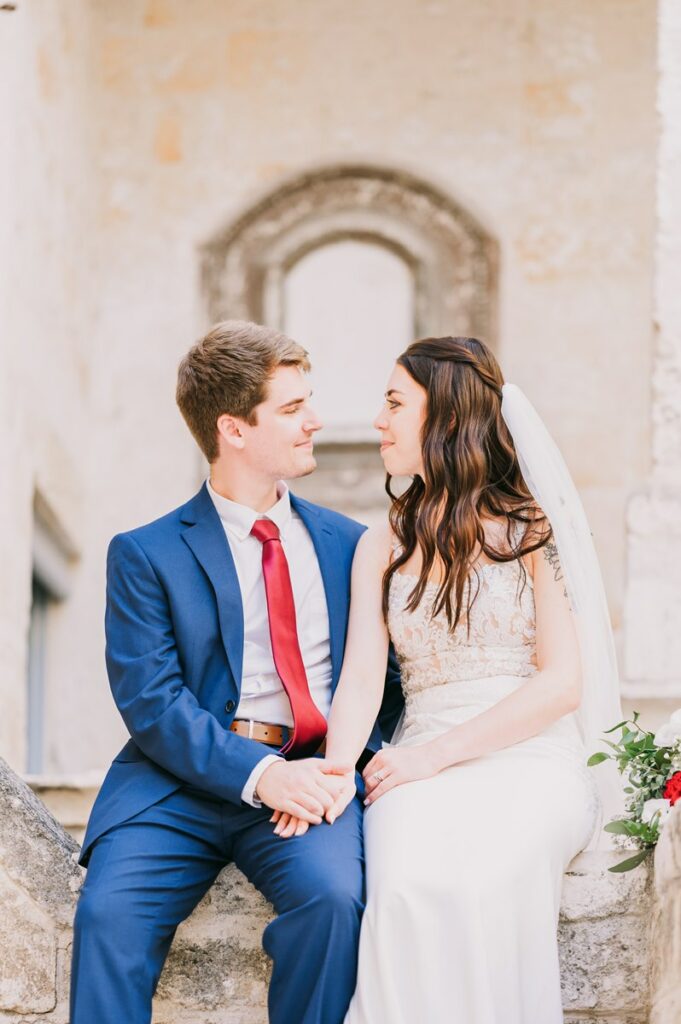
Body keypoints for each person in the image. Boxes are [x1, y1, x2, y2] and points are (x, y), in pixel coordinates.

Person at [69, 320, 401, 1024]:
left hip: (310, 775)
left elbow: (388, 683)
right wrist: (259, 775)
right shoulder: (144, 553)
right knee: (108, 918)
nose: (314, 421)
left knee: (333, 901)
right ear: (234, 429)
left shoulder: (351, 545)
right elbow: (152, 703)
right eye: (291, 409)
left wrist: (333, 770)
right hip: (174, 787)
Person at [317, 336, 620, 1024]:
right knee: (401, 885)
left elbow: (560, 685)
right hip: (416, 760)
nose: (376, 420)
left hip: (528, 757)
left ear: (446, 417)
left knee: (490, 873)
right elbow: (363, 678)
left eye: (394, 403)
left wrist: (432, 757)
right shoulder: (380, 545)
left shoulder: (533, 531)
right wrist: (337, 772)